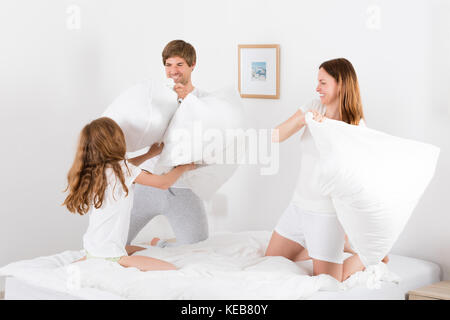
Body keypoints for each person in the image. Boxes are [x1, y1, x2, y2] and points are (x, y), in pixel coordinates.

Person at [265, 58, 388, 282]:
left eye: (323, 83)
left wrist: (326, 131)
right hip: (298, 206)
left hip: (325, 213)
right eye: (317, 82)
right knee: (272, 258)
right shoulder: (313, 107)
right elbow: (275, 136)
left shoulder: (355, 126)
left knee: (330, 280)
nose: (317, 88)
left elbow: (355, 176)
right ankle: (334, 245)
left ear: (340, 84)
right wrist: (304, 120)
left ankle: (369, 255)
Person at [63, 117, 195, 271]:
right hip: (112, 255)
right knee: (172, 268)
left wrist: (149, 155)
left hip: (91, 249)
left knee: (137, 248)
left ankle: (155, 243)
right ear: (115, 141)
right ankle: (150, 248)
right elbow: (163, 183)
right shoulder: (121, 170)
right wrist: (183, 168)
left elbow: (125, 168)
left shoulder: (95, 171)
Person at [126, 40, 209, 248]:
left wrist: (187, 103)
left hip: (183, 188)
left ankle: (161, 245)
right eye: (168, 65)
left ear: (192, 65)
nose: (173, 71)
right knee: (114, 242)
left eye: (179, 65)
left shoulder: (205, 101)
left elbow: (207, 139)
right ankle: (158, 244)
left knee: (198, 250)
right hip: (147, 184)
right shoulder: (155, 97)